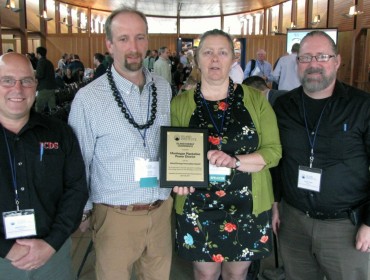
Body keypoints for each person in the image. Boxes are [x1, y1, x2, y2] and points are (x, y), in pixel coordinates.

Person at [68, 7, 173, 280]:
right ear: (109, 44)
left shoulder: (163, 88)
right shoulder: (88, 99)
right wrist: (83, 211)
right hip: (115, 217)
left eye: (140, 37)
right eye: (124, 38)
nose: (133, 47)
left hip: (161, 211)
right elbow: (79, 161)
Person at [171, 29, 282, 280]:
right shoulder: (180, 103)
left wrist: (236, 161)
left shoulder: (256, 100)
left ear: (233, 59)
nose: (214, 59)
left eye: (222, 52)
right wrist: (177, 177)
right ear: (197, 60)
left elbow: (274, 152)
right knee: (204, 274)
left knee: (236, 274)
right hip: (197, 205)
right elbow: (173, 152)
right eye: (207, 52)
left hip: (246, 204)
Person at [272, 30, 370, 280]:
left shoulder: (362, 106)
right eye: (305, 58)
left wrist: (369, 223)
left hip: (346, 228)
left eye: (322, 56)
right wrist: (274, 204)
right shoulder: (284, 106)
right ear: (297, 63)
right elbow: (276, 160)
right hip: (293, 222)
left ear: (336, 61)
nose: (313, 64)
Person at [0, 52, 88, 279]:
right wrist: (7, 249)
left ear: (36, 85)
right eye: (7, 80)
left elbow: (76, 190)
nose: (17, 89)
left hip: (52, 256)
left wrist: (51, 244)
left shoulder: (60, 133)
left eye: (26, 81)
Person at [34, 46, 57, 112]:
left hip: (44, 88)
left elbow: (40, 75)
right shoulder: (49, 62)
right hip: (52, 87)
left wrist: (34, 74)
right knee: (52, 108)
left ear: (38, 54)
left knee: (38, 107)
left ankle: (38, 122)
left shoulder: (41, 62)